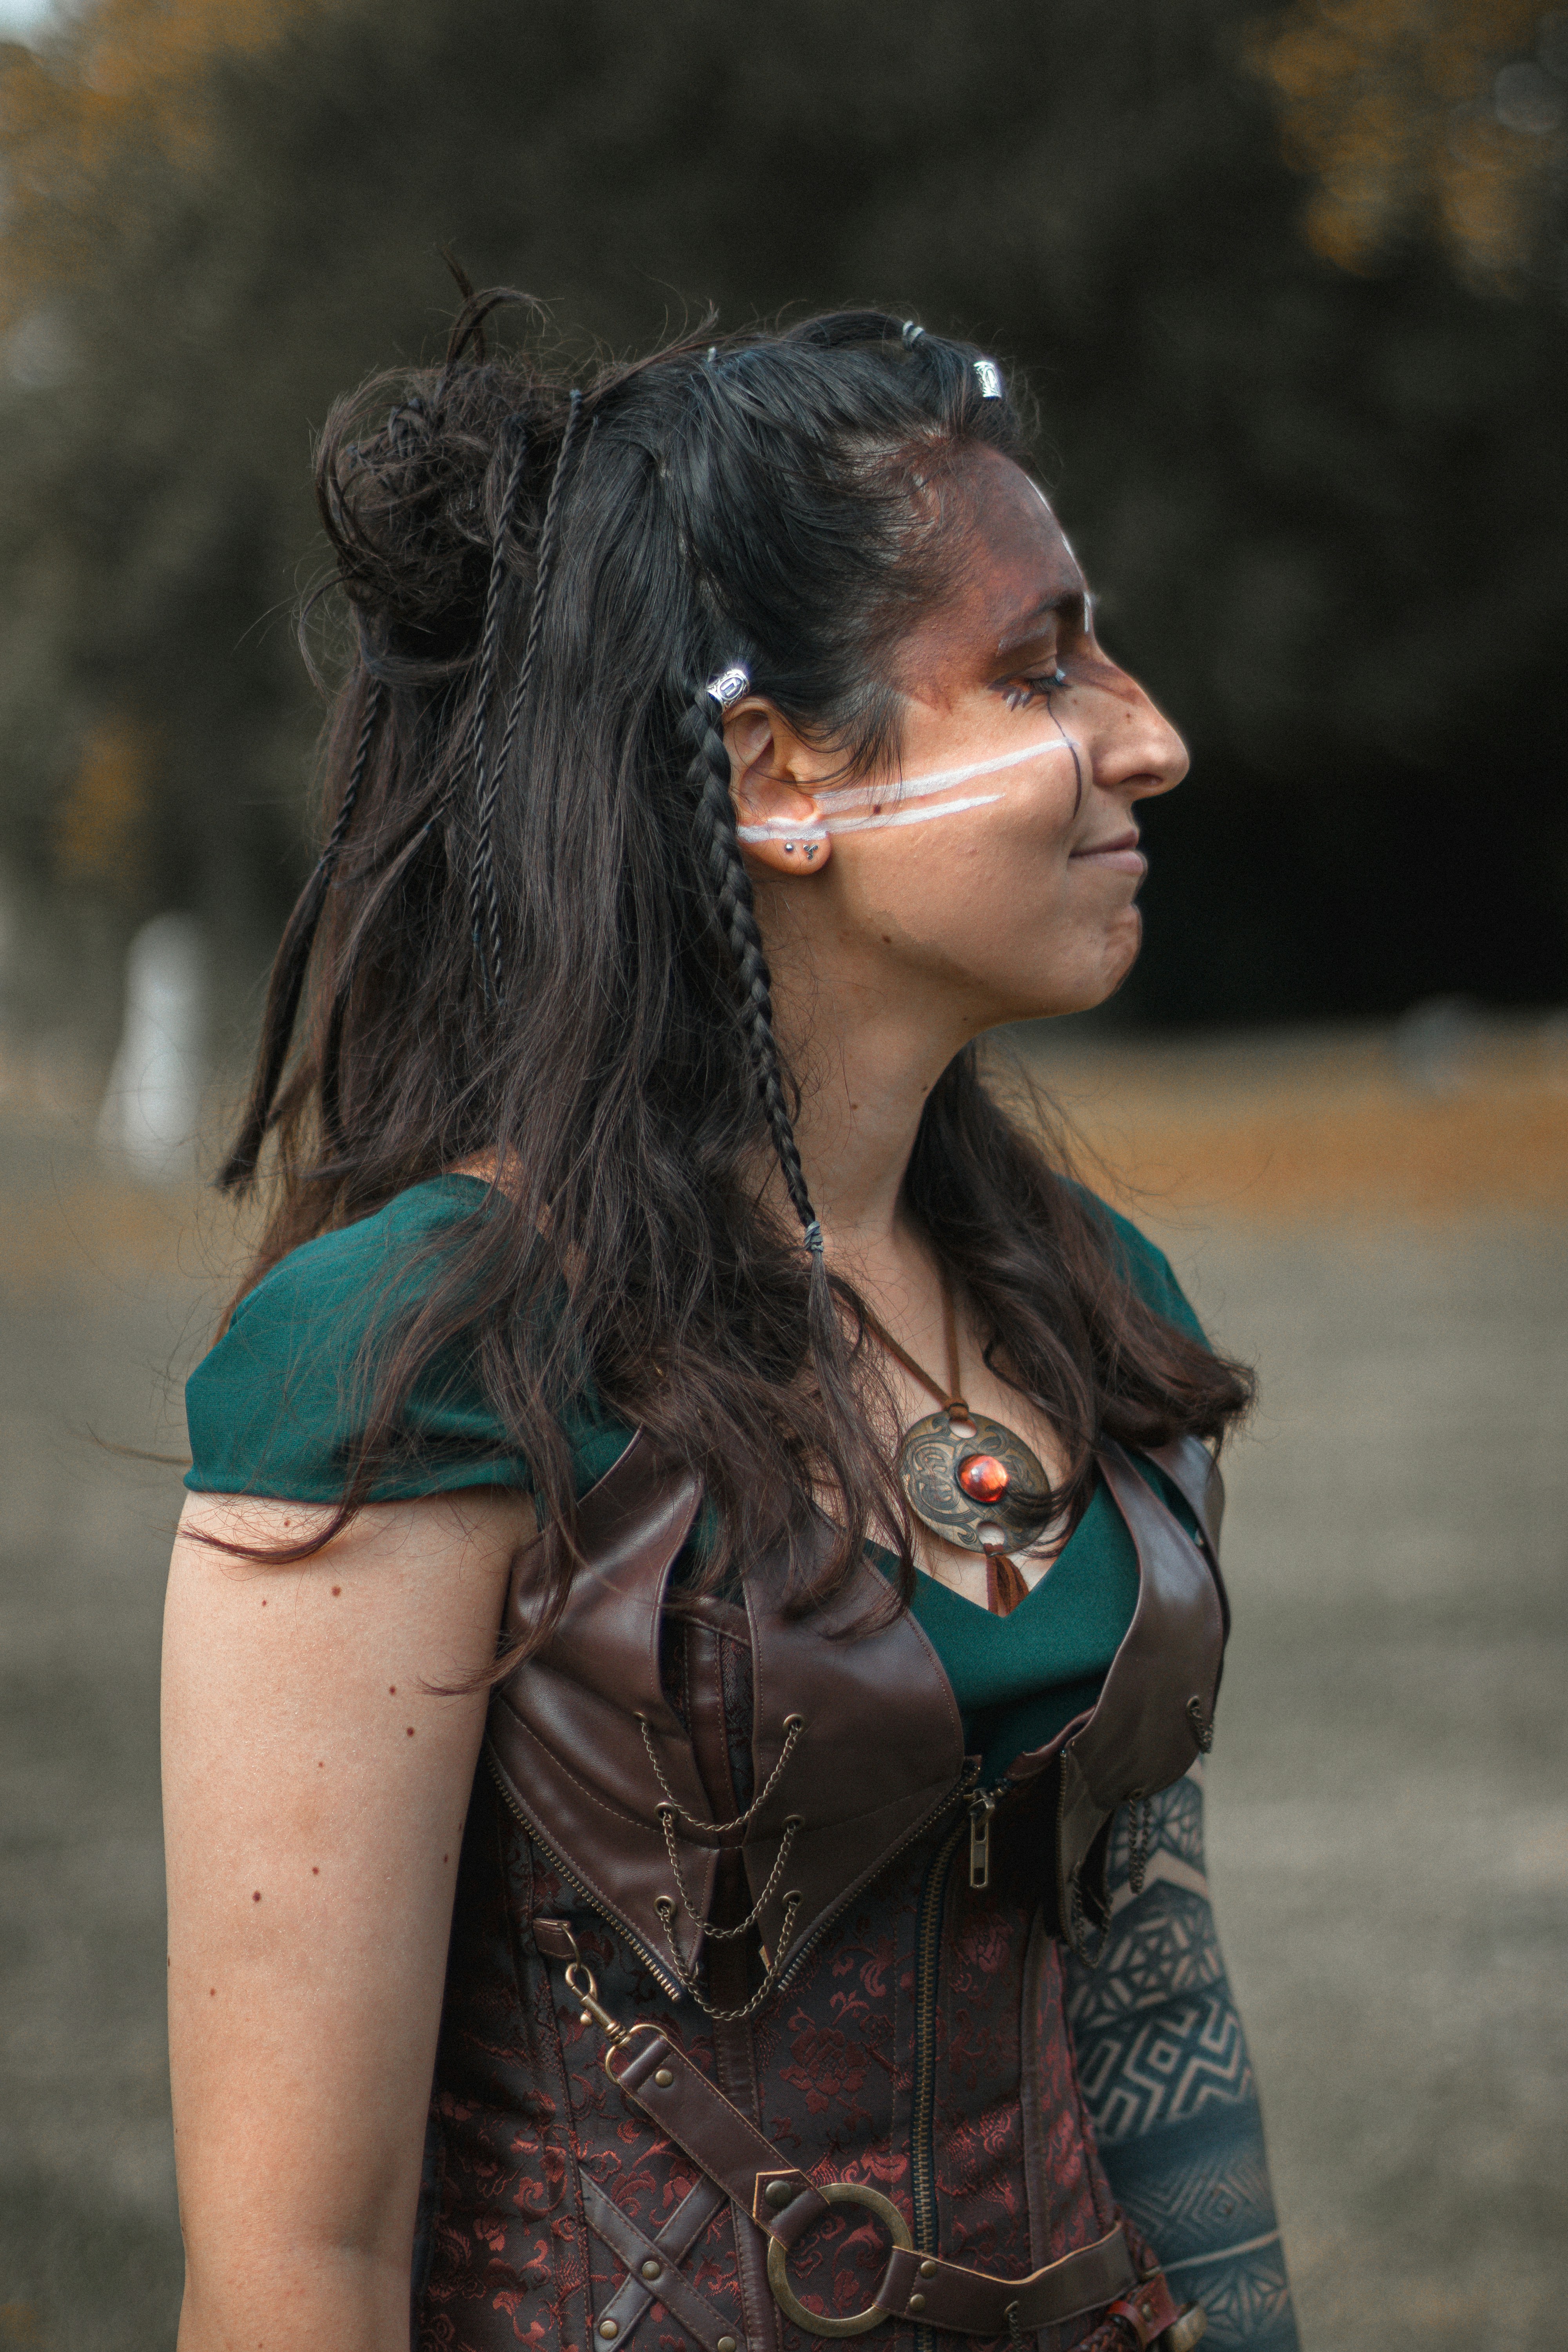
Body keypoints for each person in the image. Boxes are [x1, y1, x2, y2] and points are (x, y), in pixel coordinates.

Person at [162, 297, 1300, 2352]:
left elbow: (1149, 1994)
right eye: (1039, 670)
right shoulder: (414, 1359)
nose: (1147, 738)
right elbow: (292, 2268)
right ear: (776, 775)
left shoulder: (1087, 1300)